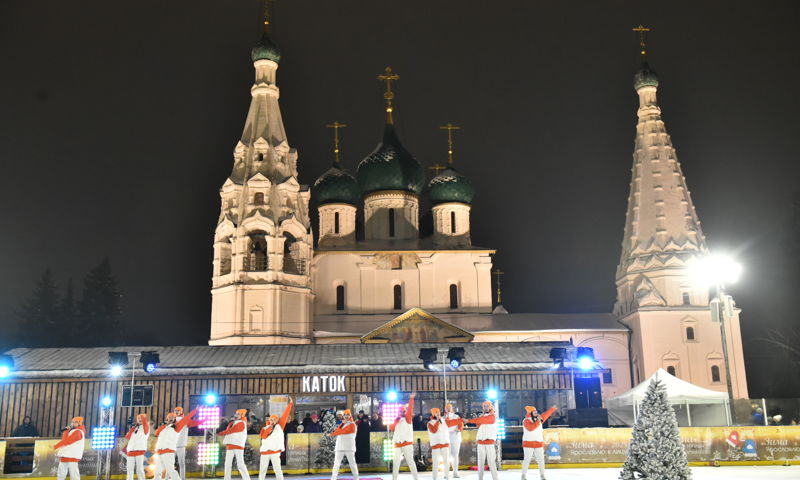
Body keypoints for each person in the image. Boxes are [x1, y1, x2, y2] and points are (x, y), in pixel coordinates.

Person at [154, 409, 198, 480]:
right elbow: (156, 433)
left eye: (173, 418)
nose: (171, 419)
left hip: (168, 452)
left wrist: (195, 411)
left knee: (171, 471)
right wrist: (162, 426)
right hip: (160, 452)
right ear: (167, 419)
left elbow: (186, 418)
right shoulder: (163, 427)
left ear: (175, 419)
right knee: (157, 471)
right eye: (169, 417)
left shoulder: (177, 427)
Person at [259, 400, 294, 480]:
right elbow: (263, 437)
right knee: (262, 471)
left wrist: (290, 404)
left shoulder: (280, 427)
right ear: (269, 420)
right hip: (264, 452)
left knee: (278, 470)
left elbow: (285, 415)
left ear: (277, 420)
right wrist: (269, 427)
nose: (272, 421)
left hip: (275, 452)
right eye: (271, 419)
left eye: (274, 419)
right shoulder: (265, 428)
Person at [520, 405, 557, 480]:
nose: (536, 413)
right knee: (527, 459)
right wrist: (538, 421)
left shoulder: (539, 419)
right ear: (530, 413)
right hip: (528, 444)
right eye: (534, 412)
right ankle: (523, 475)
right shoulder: (526, 420)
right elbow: (531, 428)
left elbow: (546, 414)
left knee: (541, 459)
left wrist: (552, 409)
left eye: (536, 411)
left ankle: (542, 475)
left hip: (538, 443)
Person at [466, 401, 499, 480]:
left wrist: (470, 420)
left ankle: (495, 478)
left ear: (490, 407)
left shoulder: (493, 416)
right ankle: (480, 478)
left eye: (487, 406)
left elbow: (484, 421)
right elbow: (479, 426)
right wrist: (478, 419)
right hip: (481, 442)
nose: (486, 407)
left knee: (491, 462)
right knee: (480, 463)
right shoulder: (482, 417)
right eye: (484, 406)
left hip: (489, 443)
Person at [390, 392, 419, 480]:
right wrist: (396, 420)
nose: (402, 412)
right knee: (396, 463)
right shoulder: (396, 420)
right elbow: (391, 428)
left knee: (410, 462)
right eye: (400, 411)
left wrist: (411, 399)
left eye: (403, 411)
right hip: (397, 445)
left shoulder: (408, 418)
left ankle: (416, 478)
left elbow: (410, 408)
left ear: (405, 411)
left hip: (407, 444)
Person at [220, 409, 251, 480]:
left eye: (238, 414)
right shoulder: (235, 422)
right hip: (230, 445)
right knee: (227, 464)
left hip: (238, 446)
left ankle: (247, 478)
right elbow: (230, 430)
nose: (236, 415)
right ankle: (227, 478)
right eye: (236, 413)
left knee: (240, 464)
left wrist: (221, 433)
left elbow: (231, 430)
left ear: (242, 415)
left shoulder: (242, 423)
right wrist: (231, 422)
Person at [53, 416, 85, 480]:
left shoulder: (78, 432)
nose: (72, 424)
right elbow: (64, 439)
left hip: (72, 455)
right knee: (61, 473)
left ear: (79, 423)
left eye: (74, 422)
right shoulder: (72, 431)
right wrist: (66, 431)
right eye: (72, 422)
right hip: (65, 454)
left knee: (74, 474)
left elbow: (67, 441)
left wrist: (55, 446)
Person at [330, 409, 360, 480]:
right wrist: (343, 424)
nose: (346, 416)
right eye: (345, 415)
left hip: (349, 447)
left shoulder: (353, 424)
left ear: (350, 415)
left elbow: (341, 432)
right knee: (336, 463)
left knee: (352, 463)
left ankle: (356, 478)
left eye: (348, 415)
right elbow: (337, 431)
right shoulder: (342, 424)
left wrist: (342, 425)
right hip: (340, 446)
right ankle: (333, 478)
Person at [173, 406, 200, 480]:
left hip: (180, 445)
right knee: (170, 464)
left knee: (181, 464)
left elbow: (195, 422)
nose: (176, 412)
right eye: (175, 410)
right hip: (172, 445)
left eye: (178, 410)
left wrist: (204, 420)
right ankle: (170, 477)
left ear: (181, 411)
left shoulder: (186, 420)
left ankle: (182, 478)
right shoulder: (172, 420)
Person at [426, 408, 451, 480]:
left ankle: (447, 476)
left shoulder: (444, 421)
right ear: (433, 414)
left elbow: (451, 424)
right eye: (436, 412)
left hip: (445, 444)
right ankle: (434, 477)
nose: (438, 414)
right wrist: (437, 421)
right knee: (435, 463)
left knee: (446, 461)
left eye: (439, 412)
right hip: (436, 445)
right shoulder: (430, 423)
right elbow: (434, 430)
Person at [125, 414, 150, 480]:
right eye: (138, 418)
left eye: (141, 418)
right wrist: (132, 428)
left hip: (139, 450)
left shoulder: (146, 427)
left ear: (144, 419)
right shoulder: (134, 428)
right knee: (129, 469)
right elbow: (127, 437)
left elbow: (145, 425)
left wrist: (143, 417)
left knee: (139, 469)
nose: (140, 419)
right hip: (130, 450)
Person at [444, 404, 463, 478]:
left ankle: (455, 472)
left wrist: (458, 429)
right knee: (447, 457)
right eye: (447, 408)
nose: (448, 409)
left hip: (455, 438)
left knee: (455, 456)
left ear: (452, 408)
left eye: (449, 408)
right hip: (446, 439)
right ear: (445, 409)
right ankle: (446, 473)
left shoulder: (456, 417)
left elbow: (461, 425)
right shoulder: (442, 418)